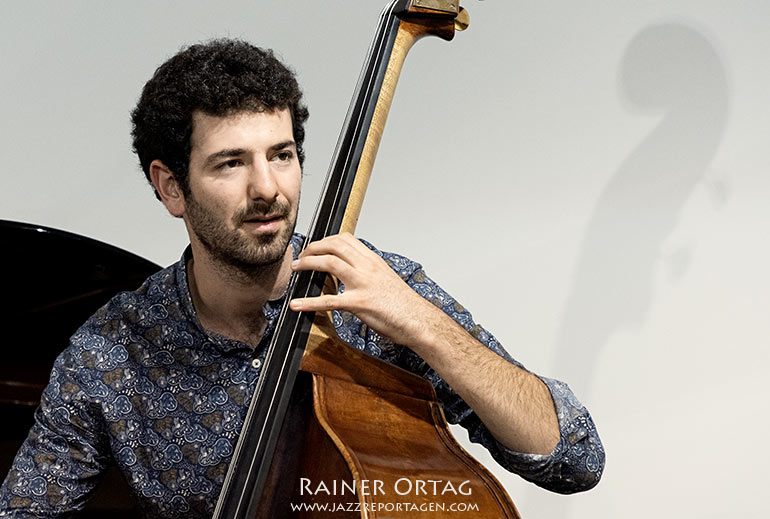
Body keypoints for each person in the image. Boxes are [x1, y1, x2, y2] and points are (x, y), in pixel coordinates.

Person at [0, 39, 604, 518]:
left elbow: (575, 460)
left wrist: (422, 324)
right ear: (170, 187)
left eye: (281, 154)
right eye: (231, 163)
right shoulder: (112, 351)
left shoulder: (374, 288)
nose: (267, 188)